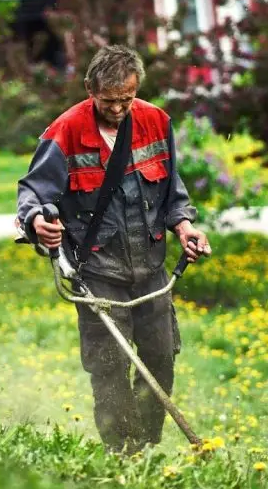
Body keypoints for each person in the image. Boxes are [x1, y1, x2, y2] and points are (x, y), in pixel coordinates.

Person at [16, 44, 211, 454]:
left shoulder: (156, 121)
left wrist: (186, 228)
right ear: (90, 88)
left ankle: (146, 443)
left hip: (151, 268)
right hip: (98, 273)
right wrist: (39, 223)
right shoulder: (65, 131)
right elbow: (33, 193)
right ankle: (123, 453)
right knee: (110, 366)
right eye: (109, 101)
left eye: (127, 98)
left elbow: (173, 193)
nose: (119, 109)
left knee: (160, 357)